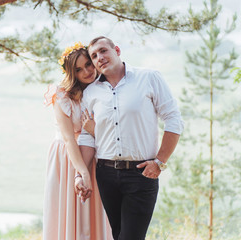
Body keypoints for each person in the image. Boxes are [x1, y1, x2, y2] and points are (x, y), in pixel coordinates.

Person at [77, 36, 184, 240]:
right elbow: (87, 136)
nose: (99, 57)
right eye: (94, 56)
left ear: (116, 50)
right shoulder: (91, 93)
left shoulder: (149, 77)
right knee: (119, 236)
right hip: (106, 175)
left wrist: (160, 162)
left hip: (141, 174)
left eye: (103, 51)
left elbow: (173, 119)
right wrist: (81, 174)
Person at [43, 42, 112, 240]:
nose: (87, 72)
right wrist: (82, 172)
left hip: (95, 154)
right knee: (70, 210)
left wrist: (94, 130)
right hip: (68, 158)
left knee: (94, 213)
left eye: (88, 65)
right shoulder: (62, 95)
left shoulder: (104, 91)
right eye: (79, 69)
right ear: (72, 73)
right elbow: (67, 138)